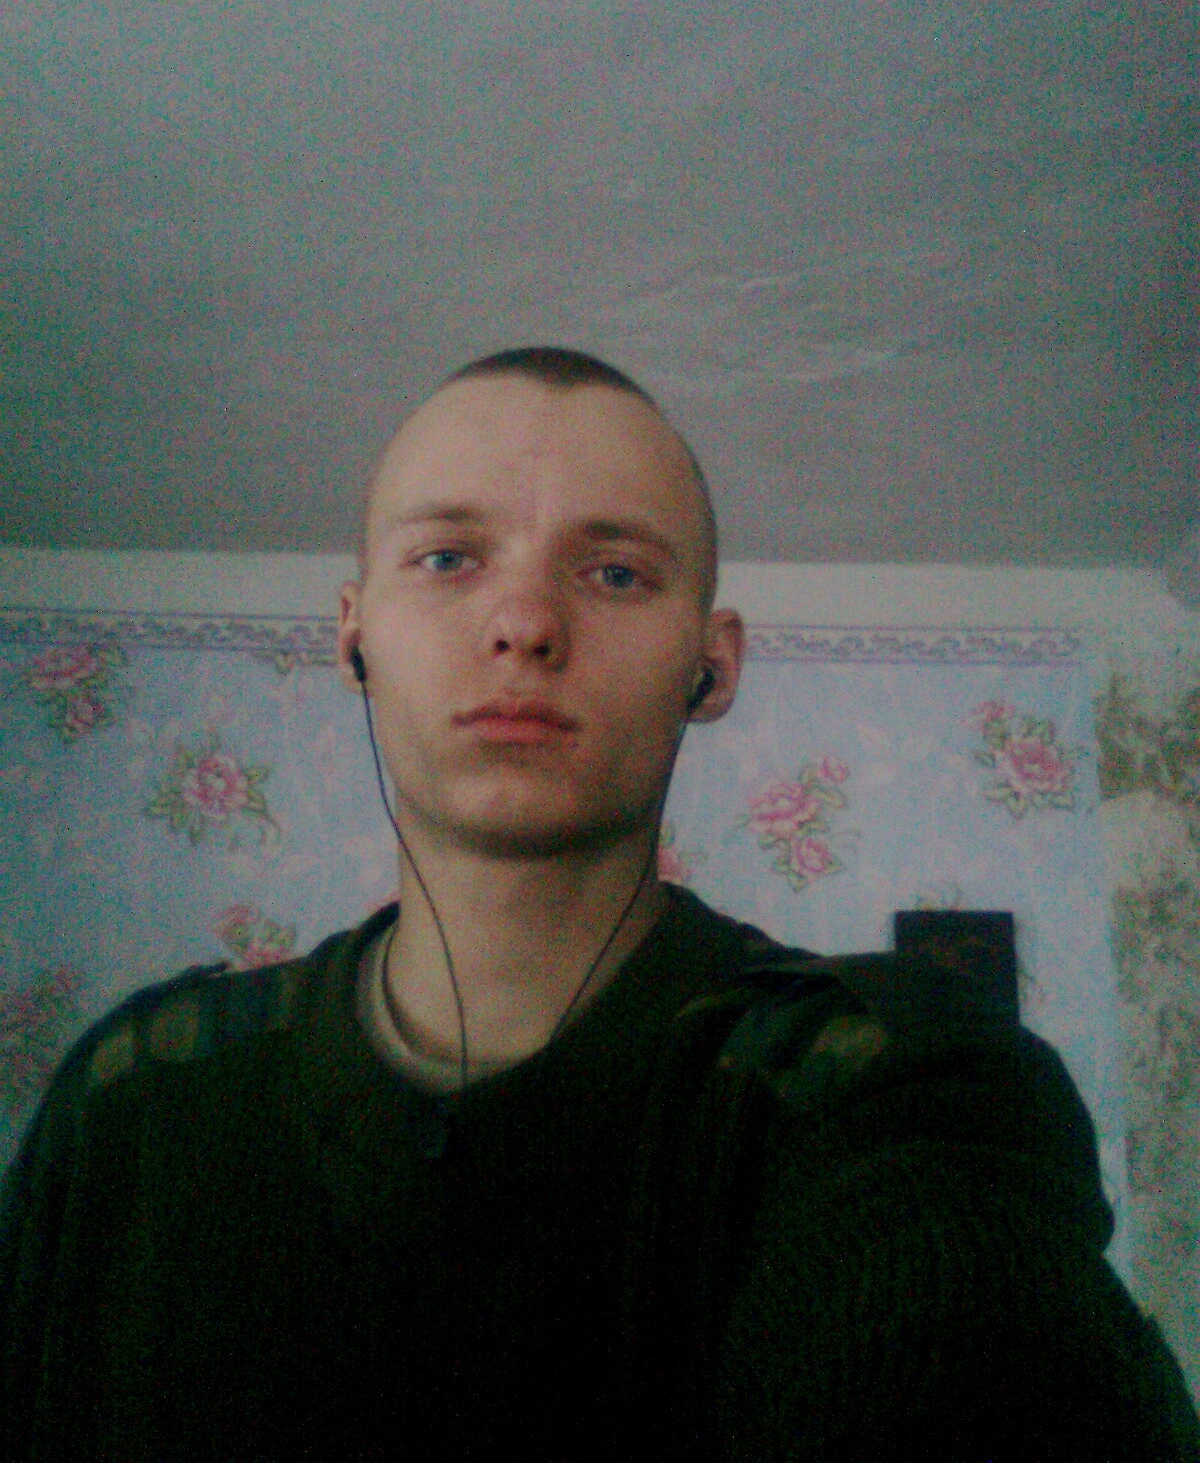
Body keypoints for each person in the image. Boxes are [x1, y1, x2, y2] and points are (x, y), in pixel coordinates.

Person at [1, 347, 1197, 1461]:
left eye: (615, 572)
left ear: (713, 665)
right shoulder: (128, 1097)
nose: (525, 625)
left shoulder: (879, 1080)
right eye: (447, 559)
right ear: (353, 634)